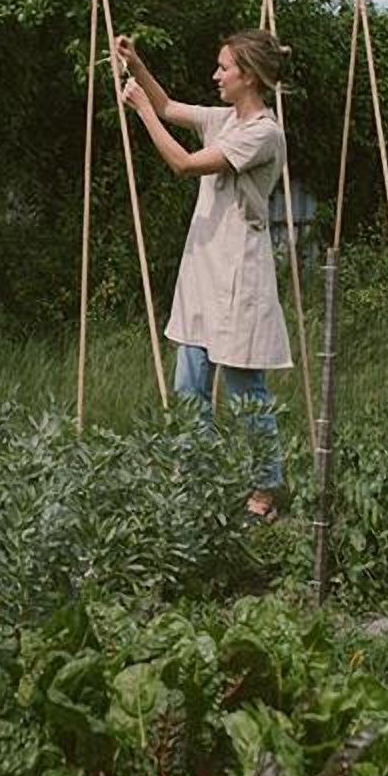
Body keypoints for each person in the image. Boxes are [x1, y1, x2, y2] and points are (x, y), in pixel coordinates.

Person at [114, 29, 292, 519]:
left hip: (239, 270)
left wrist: (140, 112)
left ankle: (264, 489)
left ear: (248, 75)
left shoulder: (261, 133)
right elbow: (170, 106)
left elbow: (186, 164)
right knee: (191, 386)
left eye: (223, 68)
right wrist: (136, 63)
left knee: (243, 388)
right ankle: (203, 482)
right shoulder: (225, 119)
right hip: (203, 267)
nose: (215, 75)